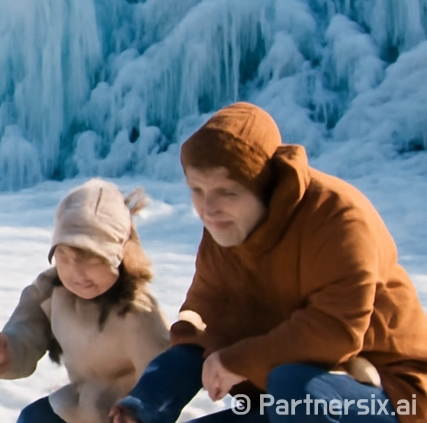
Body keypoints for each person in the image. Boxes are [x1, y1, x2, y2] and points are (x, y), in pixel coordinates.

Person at [110, 102, 427, 423]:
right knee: (287, 387)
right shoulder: (225, 229)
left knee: (292, 383)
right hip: (286, 405)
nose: (208, 208)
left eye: (227, 191)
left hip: (395, 398)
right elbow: (200, 332)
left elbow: (335, 332)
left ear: (266, 186)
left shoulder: (337, 217)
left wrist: (239, 360)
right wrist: (142, 404)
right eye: (197, 190)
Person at [0, 179, 170, 423]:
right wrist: (0, 353)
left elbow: (164, 378)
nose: (78, 273)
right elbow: (26, 336)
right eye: (65, 257)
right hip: (78, 405)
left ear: (120, 255)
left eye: (93, 260)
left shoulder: (137, 312)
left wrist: (141, 410)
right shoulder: (51, 291)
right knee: (32, 418)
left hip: (124, 413)